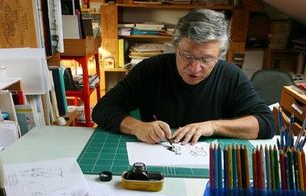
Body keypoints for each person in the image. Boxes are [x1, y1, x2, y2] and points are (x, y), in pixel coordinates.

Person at [92, 9, 275, 144]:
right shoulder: (150, 69)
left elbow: (265, 123)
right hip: (154, 158)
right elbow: (102, 109)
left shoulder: (231, 75)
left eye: (206, 59)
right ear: (175, 46)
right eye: (187, 56)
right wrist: (138, 127)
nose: (195, 68)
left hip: (209, 166)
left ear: (220, 55)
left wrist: (213, 126)